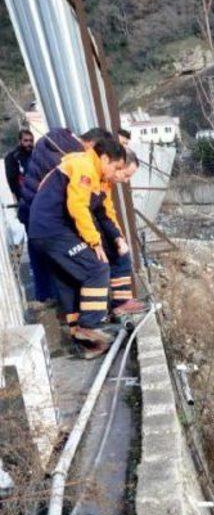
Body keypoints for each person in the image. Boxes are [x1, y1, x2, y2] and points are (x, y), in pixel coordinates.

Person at [28, 136, 126, 358]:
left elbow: (105, 212)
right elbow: (77, 206)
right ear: (104, 158)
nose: (115, 174)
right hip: (52, 229)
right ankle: (89, 327)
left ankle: (84, 344)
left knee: (70, 282)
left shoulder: (87, 169)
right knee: (97, 268)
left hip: (42, 231)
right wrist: (94, 241)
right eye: (116, 168)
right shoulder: (84, 166)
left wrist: (116, 237)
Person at [19, 127, 112, 303]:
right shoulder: (72, 155)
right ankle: (56, 300)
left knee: (42, 255)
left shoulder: (54, 142)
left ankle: (46, 296)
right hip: (44, 215)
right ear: (92, 144)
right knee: (58, 260)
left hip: (32, 209)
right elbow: (75, 201)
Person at [96, 148, 146, 317]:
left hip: (99, 223)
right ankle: (119, 304)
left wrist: (118, 236)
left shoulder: (106, 183)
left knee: (121, 252)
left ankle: (122, 302)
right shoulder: (95, 177)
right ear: (118, 165)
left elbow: (108, 211)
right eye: (126, 175)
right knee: (117, 256)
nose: (126, 181)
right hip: (90, 228)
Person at [4, 128, 33, 200]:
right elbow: (11, 178)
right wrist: (16, 195)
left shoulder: (35, 153)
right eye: (26, 140)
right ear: (20, 141)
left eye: (31, 140)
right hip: (23, 193)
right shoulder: (12, 156)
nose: (29, 143)